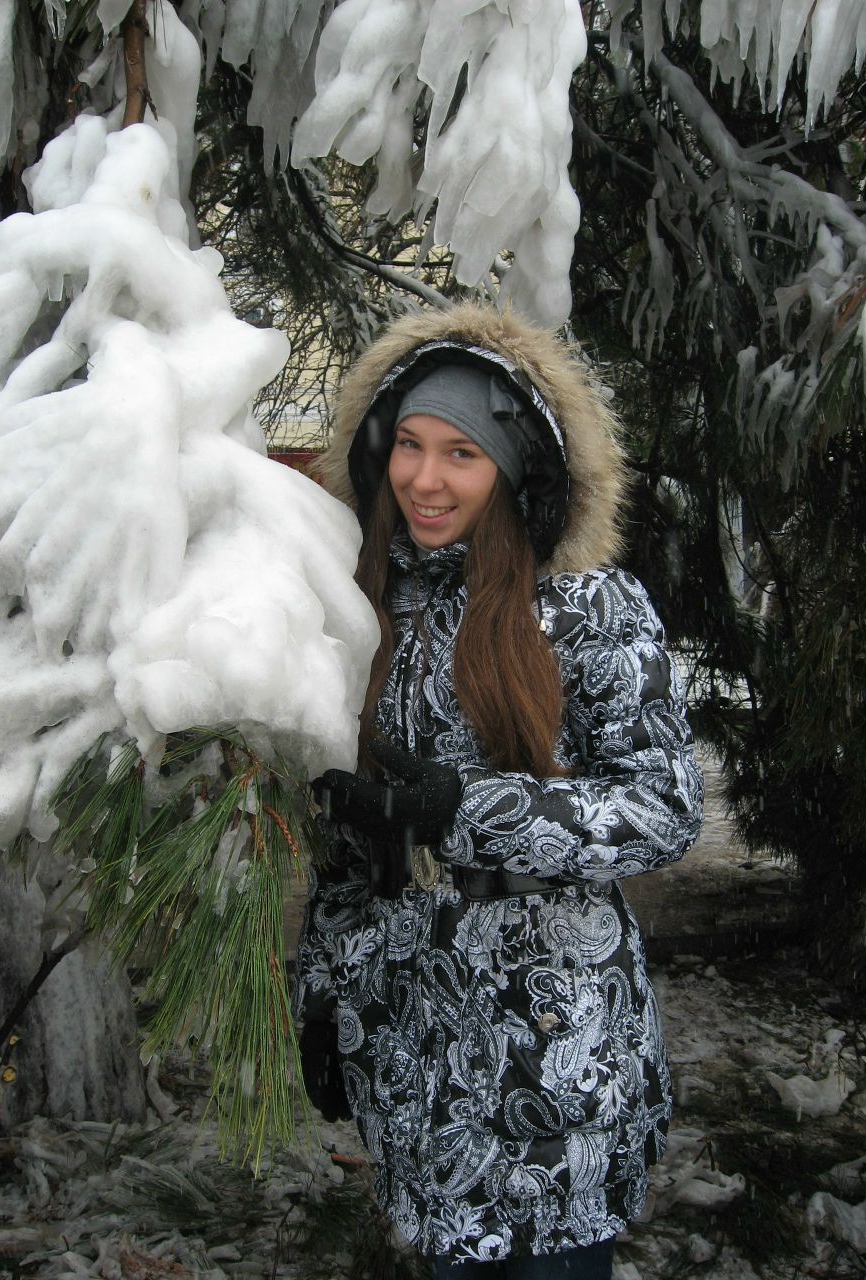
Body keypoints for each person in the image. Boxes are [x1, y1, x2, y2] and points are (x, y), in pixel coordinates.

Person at [296, 303, 704, 1280]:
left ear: (515, 468)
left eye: (462, 453)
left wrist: (470, 811)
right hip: (418, 1051)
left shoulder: (591, 609)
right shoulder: (358, 616)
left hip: (561, 1055)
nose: (425, 479)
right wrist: (321, 993)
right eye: (409, 444)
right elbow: (346, 848)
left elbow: (661, 807)